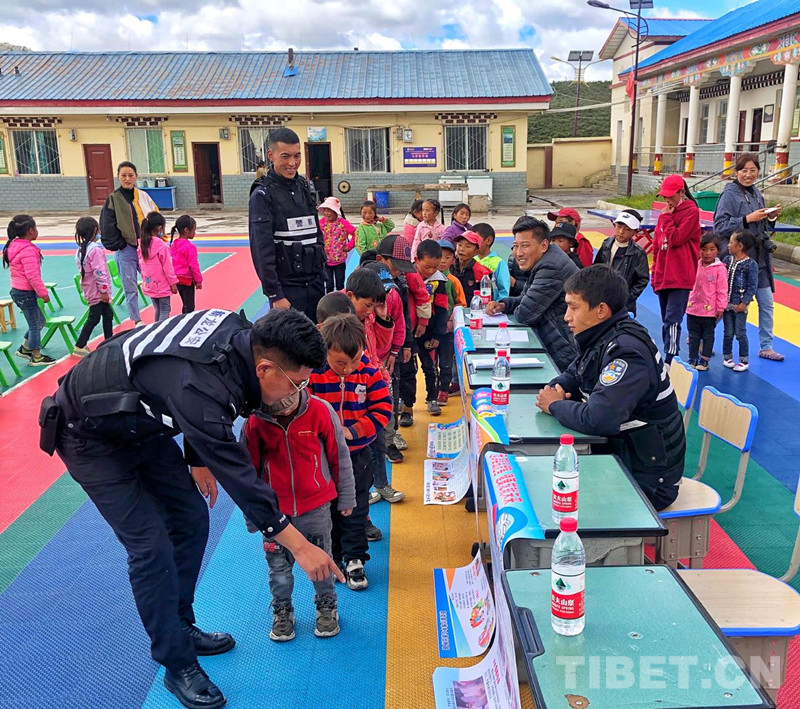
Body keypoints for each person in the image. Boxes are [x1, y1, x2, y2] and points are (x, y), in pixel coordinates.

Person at [43, 308, 343, 709]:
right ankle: (176, 662)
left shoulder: (241, 337)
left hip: (138, 422)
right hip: (88, 435)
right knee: (150, 547)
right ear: (266, 368)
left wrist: (198, 454)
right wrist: (301, 547)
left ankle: (180, 624)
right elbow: (242, 479)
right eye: (296, 383)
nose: (297, 394)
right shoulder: (199, 389)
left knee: (190, 518)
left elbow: (195, 403)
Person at [536, 265, 686, 510]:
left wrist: (554, 405)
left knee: (548, 496)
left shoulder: (627, 352)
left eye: (573, 307)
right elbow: (575, 373)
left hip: (649, 481)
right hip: (624, 456)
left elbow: (599, 419)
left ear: (601, 310)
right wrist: (556, 388)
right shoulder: (603, 335)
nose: (566, 317)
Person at [243, 383, 356, 642]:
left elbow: (339, 456)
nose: (283, 410)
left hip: (316, 508)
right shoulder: (255, 421)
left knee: (322, 562)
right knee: (278, 569)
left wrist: (346, 497)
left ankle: (326, 604)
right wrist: (253, 515)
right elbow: (248, 472)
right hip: (274, 514)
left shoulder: (321, 411)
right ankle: (282, 610)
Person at [309, 314, 392, 591]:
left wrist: (352, 431)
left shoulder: (368, 371)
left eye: (354, 360)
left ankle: (355, 559)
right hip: (322, 459)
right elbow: (304, 411)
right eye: (340, 363)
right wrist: (323, 435)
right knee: (328, 510)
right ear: (325, 353)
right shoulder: (314, 375)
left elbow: (382, 410)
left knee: (355, 509)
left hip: (357, 457)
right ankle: (333, 557)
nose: (348, 369)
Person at [249, 127, 326, 321]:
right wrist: (275, 294)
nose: (292, 163)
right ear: (271, 156)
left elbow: (317, 234)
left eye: (297, 156)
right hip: (287, 292)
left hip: (316, 286)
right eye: (285, 156)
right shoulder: (262, 195)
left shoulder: (305, 187)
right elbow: (261, 250)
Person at [713, 152, 784, 362]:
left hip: (759, 260)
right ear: (736, 172)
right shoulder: (729, 195)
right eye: (744, 170)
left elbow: (762, 227)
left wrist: (770, 218)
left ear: (758, 172)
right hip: (737, 262)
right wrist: (746, 219)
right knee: (726, 304)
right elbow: (720, 227)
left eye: (753, 170)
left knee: (767, 304)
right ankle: (701, 336)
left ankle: (766, 346)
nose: (748, 174)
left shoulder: (756, 193)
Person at [486, 216, 578, 372]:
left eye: (525, 246)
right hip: (555, 342)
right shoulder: (545, 259)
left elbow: (525, 313)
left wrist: (519, 305)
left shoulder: (550, 266)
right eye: (515, 246)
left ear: (543, 245)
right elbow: (525, 298)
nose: (518, 253)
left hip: (564, 349)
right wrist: (503, 305)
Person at [100, 161, 159, 327]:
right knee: (130, 286)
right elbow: (107, 225)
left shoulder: (143, 196)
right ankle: (136, 320)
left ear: (136, 177)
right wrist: (120, 244)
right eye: (123, 175)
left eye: (130, 175)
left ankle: (160, 314)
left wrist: (153, 239)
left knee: (153, 281)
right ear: (118, 177)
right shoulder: (113, 199)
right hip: (126, 249)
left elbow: (155, 216)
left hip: (145, 247)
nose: (127, 179)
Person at [651, 174, 701, 364]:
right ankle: (670, 353)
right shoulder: (665, 214)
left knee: (673, 319)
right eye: (664, 196)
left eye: (670, 195)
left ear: (681, 192)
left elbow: (676, 239)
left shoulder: (691, 212)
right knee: (666, 318)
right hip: (663, 274)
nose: (667, 200)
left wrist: (666, 218)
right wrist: (655, 274)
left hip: (680, 275)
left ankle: (671, 357)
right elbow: (657, 245)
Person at [4, 214, 56, 365]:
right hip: (25, 293)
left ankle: (26, 348)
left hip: (18, 291)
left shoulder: (13, 245)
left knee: (40, 321)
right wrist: (43, 294)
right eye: (36, 228)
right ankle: (36, 356)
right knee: (35, 325)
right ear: (31, 231)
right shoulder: (28, 250)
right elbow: (32, 276)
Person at [412, 239, 449, 416]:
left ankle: (432, 398)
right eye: (427, 267)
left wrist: (438, 334)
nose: (431, 271)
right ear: (416, 260)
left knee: (429, 366)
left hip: (429, 331)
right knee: (408, 369)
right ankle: (405, 402)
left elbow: (442, 309)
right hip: (409, 330)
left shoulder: (439, 281)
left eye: (435, 267)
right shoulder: (407, 276)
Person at [593, 212, 650, 316]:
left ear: (635, 232)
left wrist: (628, 297)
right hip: (602, 297)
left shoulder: (638, 253)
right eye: (619, 227)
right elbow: (596, 267)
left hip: (624, 304)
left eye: (627, 229)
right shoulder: (606, 243)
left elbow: (642, 279)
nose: (621, 232)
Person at [685, 233, 727, 371]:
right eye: (703, 249)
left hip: (709, 310)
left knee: (708, 336)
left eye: (711, 249)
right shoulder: (695, 264)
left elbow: (722, 290)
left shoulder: (720, 269)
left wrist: (721, 307)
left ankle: (704, 360)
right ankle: (692, 358)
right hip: (692, 308)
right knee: (693, 335)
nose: (707, 253)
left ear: (718, 251)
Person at [73, 216, 113, 357]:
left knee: (108, 314)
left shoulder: (81, 249)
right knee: (94, 317)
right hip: (97, 291)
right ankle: (80, 345)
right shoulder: (95, 250)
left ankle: (109, 340)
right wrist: (104, 291)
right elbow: (99, 272)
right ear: (95, 230)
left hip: (89, 288)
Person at [722, 231, 759, 373]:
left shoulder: (751, 264)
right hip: (726, 304)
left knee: (740, 332)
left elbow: (752, 286)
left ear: (740, 246)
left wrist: (744, 302)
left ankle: (744, 360)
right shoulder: (727, 260)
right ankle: (727, 356)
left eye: (731, 242)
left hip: (739, 305)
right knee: (728, 332)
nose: (728, 245)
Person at [138, 212, 178, 322]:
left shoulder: (142, 244)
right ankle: (161, 329)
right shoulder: (161, 246)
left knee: (158, 310)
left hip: (149, 282)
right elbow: (168, 267)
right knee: (165, 309)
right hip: (162, 284)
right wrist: (173, 283)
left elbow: (141, 264)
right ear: (160, 228)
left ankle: (155, 328)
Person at [318, 196, 355, 292]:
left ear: (335, 211)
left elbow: (356, 234)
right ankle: (330, 300)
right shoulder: (321, 223)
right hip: (326, 259)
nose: (327, 213)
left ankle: (340, 299)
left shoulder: (343, 223)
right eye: (325, 210)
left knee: (340, 284)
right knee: (329, 284)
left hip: (340, 259)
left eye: (329, 211)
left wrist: (349, 246)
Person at [170, 215, 203, 314]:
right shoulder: (189, 247)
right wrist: (198, 280)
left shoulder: (174, 244)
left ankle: (185, 317)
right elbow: (193, 265)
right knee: (189, 306)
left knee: (185, 304)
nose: (194, 233)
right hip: (186, 280)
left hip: (177, 279)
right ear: (186, 230)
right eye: (194, 230)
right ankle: (186, 320)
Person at [472, 222, 511, 300]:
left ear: (489, 240)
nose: (472, 243)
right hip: (474, 303)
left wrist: (498, 304)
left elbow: (504, 291)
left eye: (475, 240)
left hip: (491, 304)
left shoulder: (499, 263)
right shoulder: (472, 260)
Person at [452, 231, 491, 302]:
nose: (461, 249)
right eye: (459, 245)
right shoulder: (450, 267)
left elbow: (487, 297)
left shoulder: (481, 272)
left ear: (476, 252)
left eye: (467, 246)